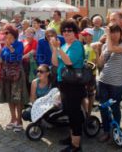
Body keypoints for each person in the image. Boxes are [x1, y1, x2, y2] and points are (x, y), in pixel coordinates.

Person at [51, 20, 84, 152]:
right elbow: (54, 62)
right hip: (64, 82)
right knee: (69, 112)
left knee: (74, 113)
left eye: (69, 30)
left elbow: (69, 62)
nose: (66, 33)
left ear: (75, 32)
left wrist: (58, 48)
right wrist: (55, 49)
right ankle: (72, 138)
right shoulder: (65, 45)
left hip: (74, 84)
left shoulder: (76, 45)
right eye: (64, 30)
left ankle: (76, 145)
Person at [97, 24, 122, 142]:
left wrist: (108, 36)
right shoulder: (105, 45)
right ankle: (106, 131)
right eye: (111, 32)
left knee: (115, 107)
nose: (114, 34)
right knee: (103, 107)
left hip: (116, 83)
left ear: (120, 33)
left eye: (116, 32)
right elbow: (100, 64)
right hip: (103, 80)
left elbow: (111, 49)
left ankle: (116, 130)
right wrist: (99, 50)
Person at [0, 25, 28, 133]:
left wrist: (10, 48)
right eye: (5, 34)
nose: (6, 36)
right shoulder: (5, 45)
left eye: (8, 33)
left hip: (17, 73)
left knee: (17, 97)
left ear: (13, 34)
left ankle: (19, 121)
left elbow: (18, 56)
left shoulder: (19, 44)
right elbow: (2, 57)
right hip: (7, 74)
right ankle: (13, 118)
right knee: (9, 97)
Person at [81, 28, 97, 116]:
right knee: (83, 95)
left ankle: (89, 115)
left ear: (91, 36)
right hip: (83, 74)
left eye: (85, 35)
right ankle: (84, 113)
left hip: (91, 75)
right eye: (83, 36)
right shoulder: (83, 46)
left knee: (90, 95)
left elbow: (95, 62)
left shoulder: (93, 46)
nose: (84, 37)